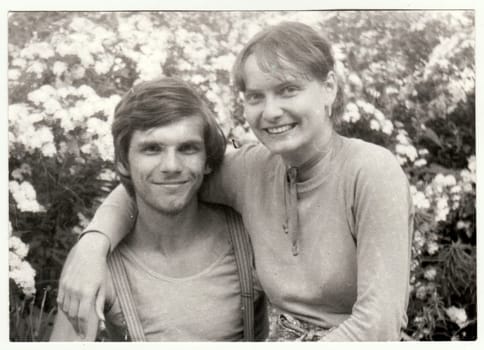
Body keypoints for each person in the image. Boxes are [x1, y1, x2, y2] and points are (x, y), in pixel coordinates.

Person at [57, 21, 414, 341]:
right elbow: (158, 182)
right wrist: (92, 245)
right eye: (256, 96)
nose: (270, 111)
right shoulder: (251, 170)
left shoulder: (371, 172)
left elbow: (378, 325)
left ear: (329, 88)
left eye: (288, 90)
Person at [50, 78, 267, 341]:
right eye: (152, 149)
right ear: (123, 163)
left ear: (208, 161)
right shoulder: (96, 266)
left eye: (188, 148)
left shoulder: (250, 239)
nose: (171, 165)